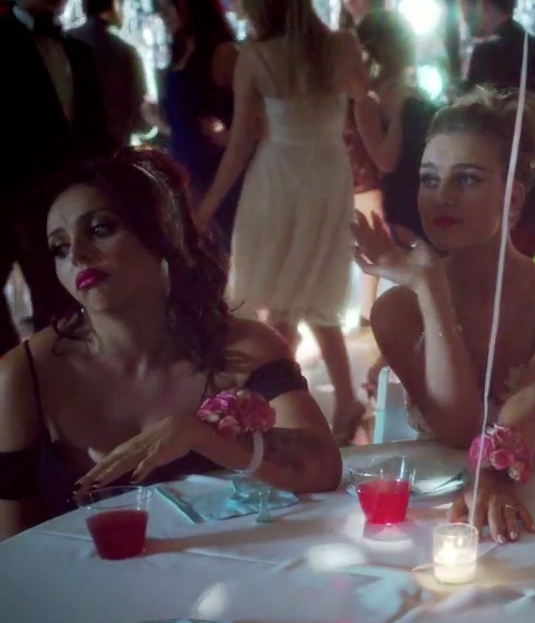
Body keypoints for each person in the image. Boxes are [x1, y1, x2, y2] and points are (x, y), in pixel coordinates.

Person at [0, 149, 342, 541]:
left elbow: (323, 469)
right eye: (59, 248)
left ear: (164, 232)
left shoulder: (248, 348)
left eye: (99, 229)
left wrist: (204, 436)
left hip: (230, 566)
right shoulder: (23, 375)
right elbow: (10, 544)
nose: (77, 255)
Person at [352, 87, 535, 545]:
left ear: (513, 200)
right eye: (430, 179)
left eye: (466, 180)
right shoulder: (396, 310)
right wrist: (431, 290)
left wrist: (495, 471)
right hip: (429, 519)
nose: (442, 197)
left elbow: (534, 401)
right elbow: (459, 426)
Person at [197, 0, 369, 445]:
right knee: (306, 293)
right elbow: (360, 100)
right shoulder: (341, 45)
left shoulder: (255, 56)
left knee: (285, 295)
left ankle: (267, 403)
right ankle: (318, 400)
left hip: (279, 179)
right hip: (327, 174)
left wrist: (206, 207)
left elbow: (239, 144)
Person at [0, 0, 117, 355]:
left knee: (66, 306)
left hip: (73, 204)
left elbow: (96, 134)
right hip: (11, 204)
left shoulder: (81, 52)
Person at [460, 0, 535, 260]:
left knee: (496, 268)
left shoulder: (490, 52)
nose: (462, 16)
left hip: (504, 181)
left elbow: (473, 118)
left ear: (483, 5)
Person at [155, 0, 240, 251]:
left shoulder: (223, 53)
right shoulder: (179, 51)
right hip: (184, 177)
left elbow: (254, 125)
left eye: (169, 7)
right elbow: (187, 127)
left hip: (220, 179)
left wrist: (226, 135)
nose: (163, 15)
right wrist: (159, 120)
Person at [355, 9, 437, 244]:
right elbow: (385, 161)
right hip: (405, 203)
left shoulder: (411, 89)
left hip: (430, 192)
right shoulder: (368, 100)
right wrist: (403, 111)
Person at [339, 0, 387, 328]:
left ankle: (367, 308)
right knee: (368, 220)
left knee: (370, 222)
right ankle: (364, 308)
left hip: (355, 138)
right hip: (349, 140)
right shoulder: (343, 40)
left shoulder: (361, 38)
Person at [68, 0, 148, 148]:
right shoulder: (126, 53)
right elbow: (140, 118)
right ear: (114, 4)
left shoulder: (65, 43)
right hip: (115, 150)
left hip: (74, 150)